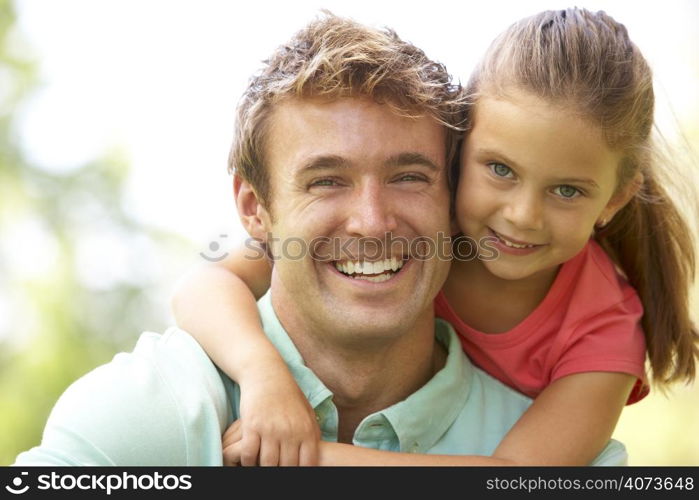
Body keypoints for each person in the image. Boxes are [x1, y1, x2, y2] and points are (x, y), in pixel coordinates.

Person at [13, 13, 628, 467]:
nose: (371, 221)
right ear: (255, 210)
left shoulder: (575, 461)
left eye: (409, 177)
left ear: (450, 196)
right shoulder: (145, 422)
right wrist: (260, 375)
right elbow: (210, 280)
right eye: (327, 180)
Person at [172, 8, 699, 466]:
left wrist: (308, 457)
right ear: (454, 154)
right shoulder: (413, 228)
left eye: (566, 190)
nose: (521, 215)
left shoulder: (605, 329)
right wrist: (264, 378)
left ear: (613, 199)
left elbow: (515, 475)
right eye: (499, 169)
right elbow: (205, 284)